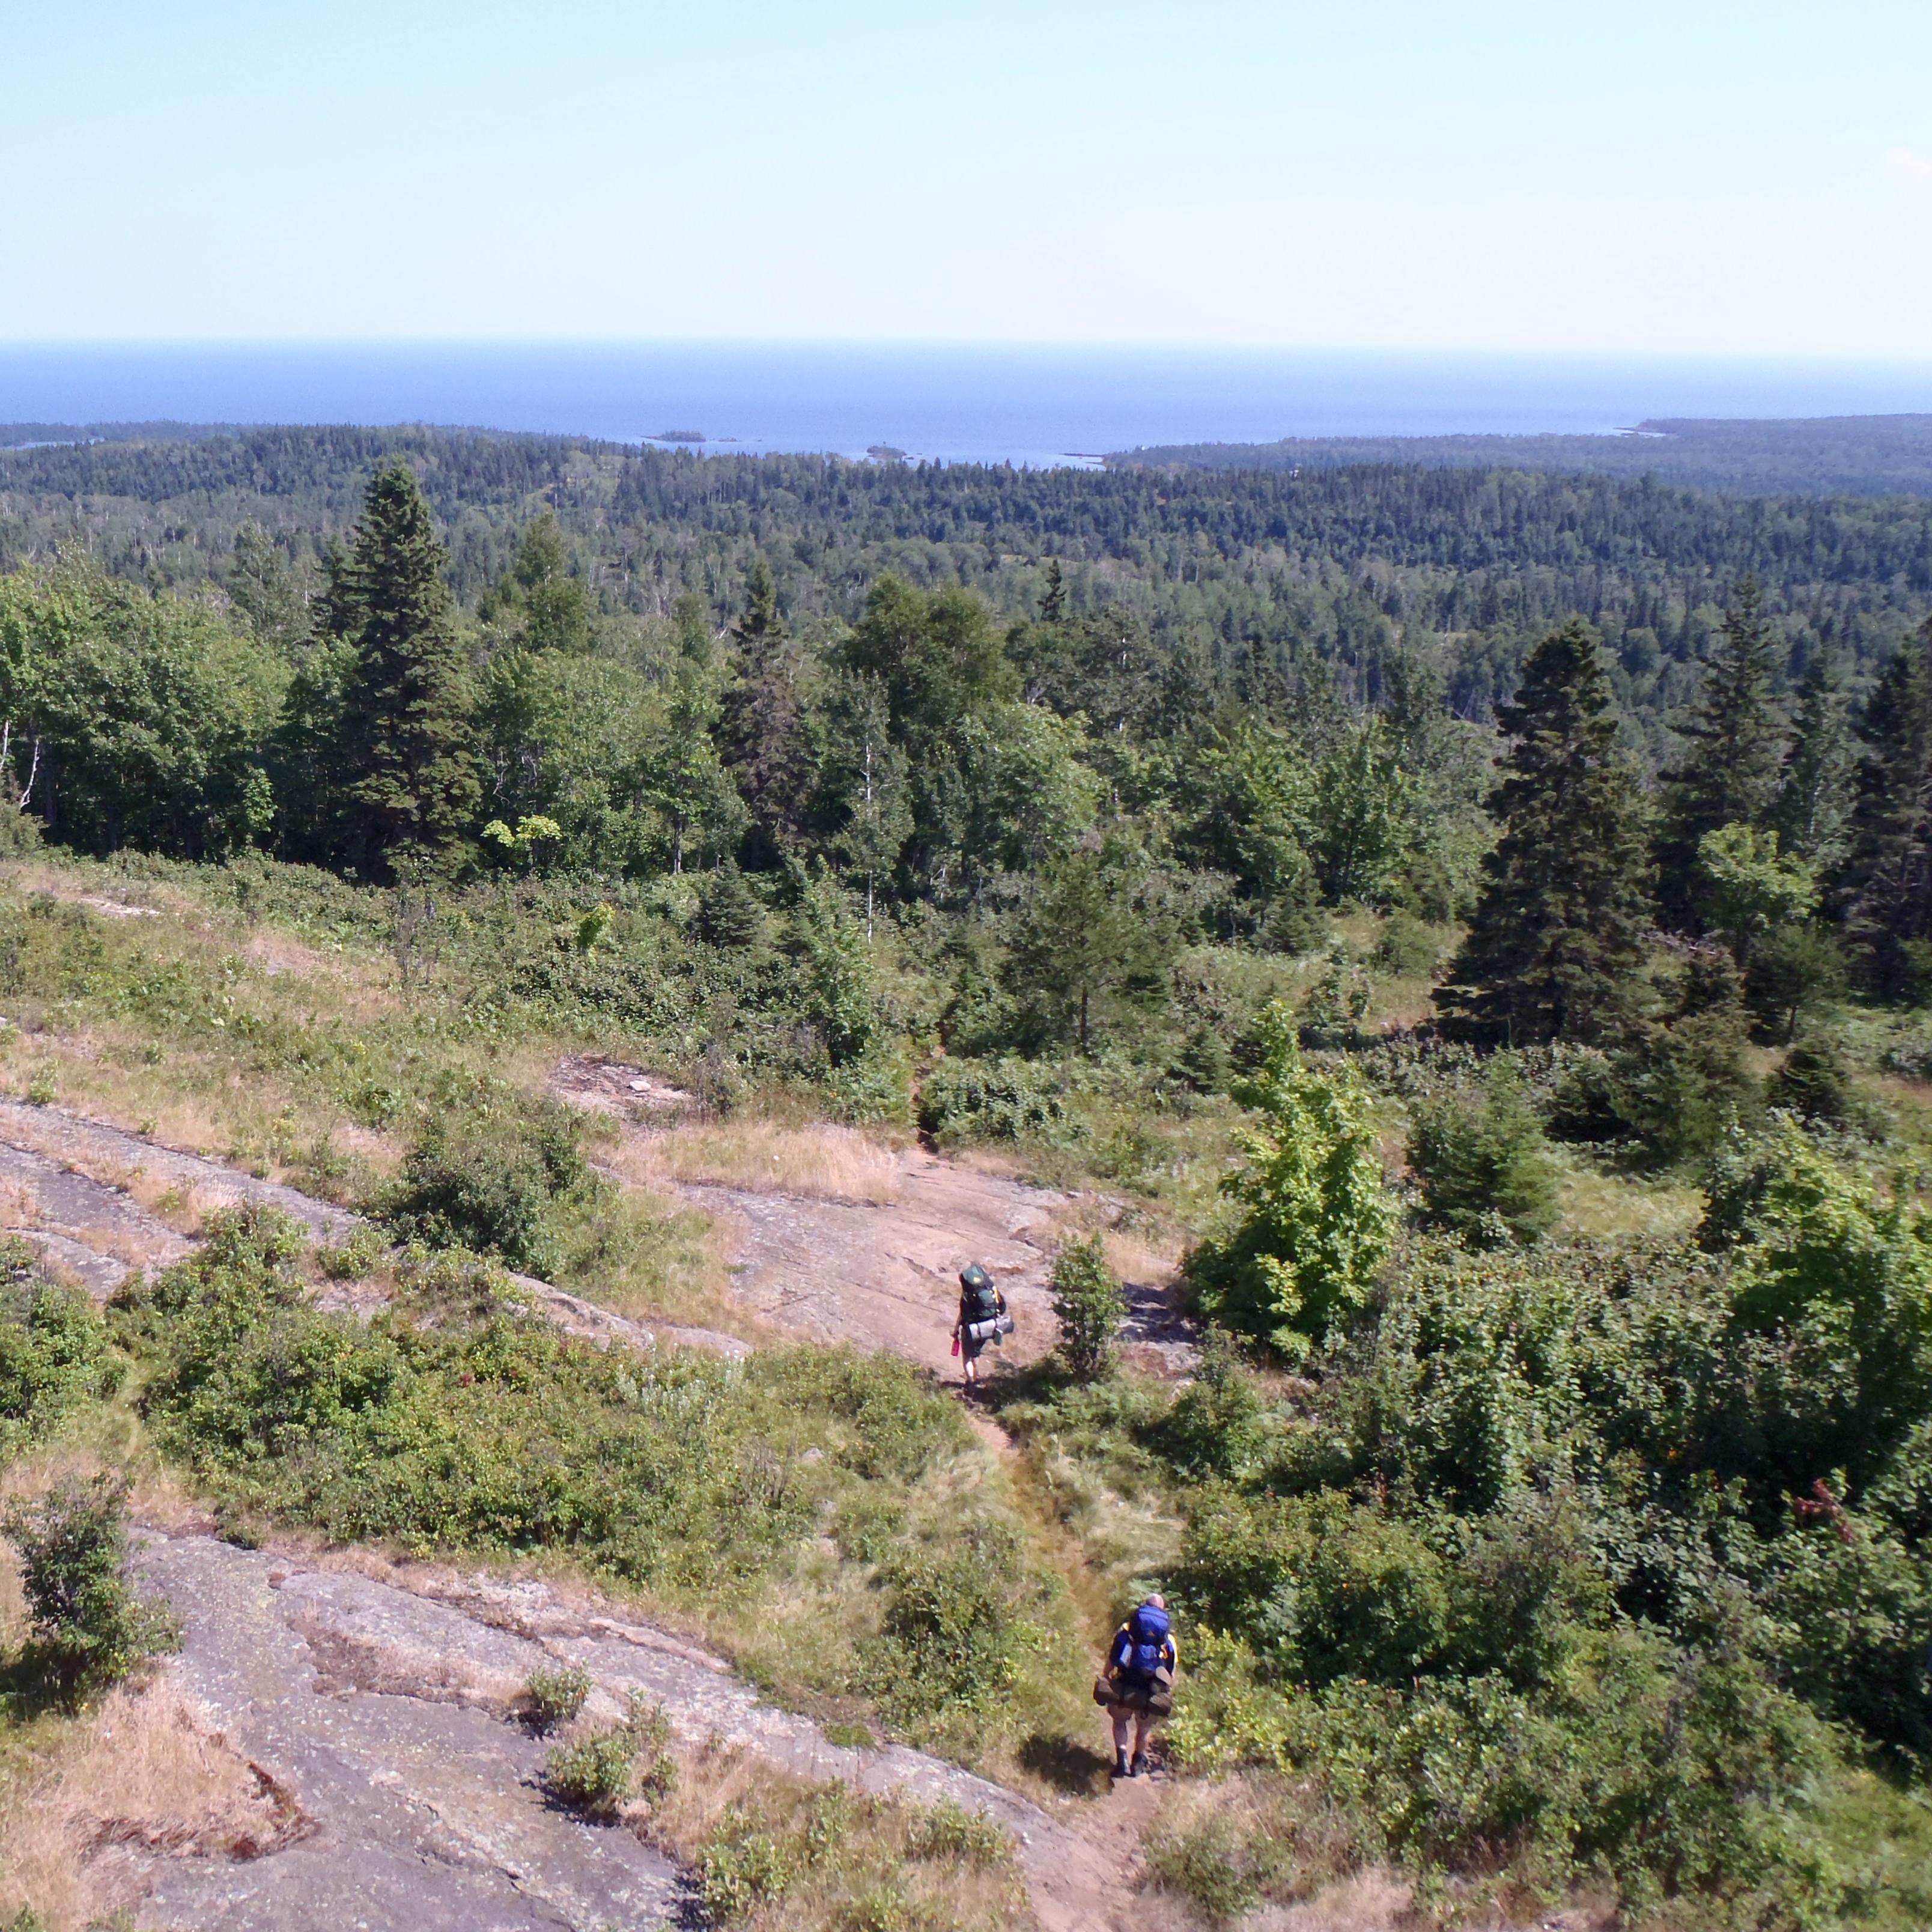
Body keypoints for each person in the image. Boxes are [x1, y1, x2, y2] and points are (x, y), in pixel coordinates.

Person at [1102, 1594, 1177, 1778]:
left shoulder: (1127, 1630)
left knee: (1120, 1722)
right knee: (1143, 1730)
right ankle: (1138, 1763)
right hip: (1150, 1691)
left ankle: (1122, 1758)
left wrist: (1105, 1676)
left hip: (1124, 1685)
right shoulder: (1168, 1641)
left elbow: (1114, 1658)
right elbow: (1170, 1674)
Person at [952, 1263, 1007, 1396]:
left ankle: (971, 1383)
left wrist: (956, 1330)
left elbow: (963, 1314)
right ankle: (976, 1375)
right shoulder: (989, 1288)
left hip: (972, 1329)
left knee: (967, 1357)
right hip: (989, 1326)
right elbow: (1002, 1305)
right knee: (976, 1352)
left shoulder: (968, 1295)